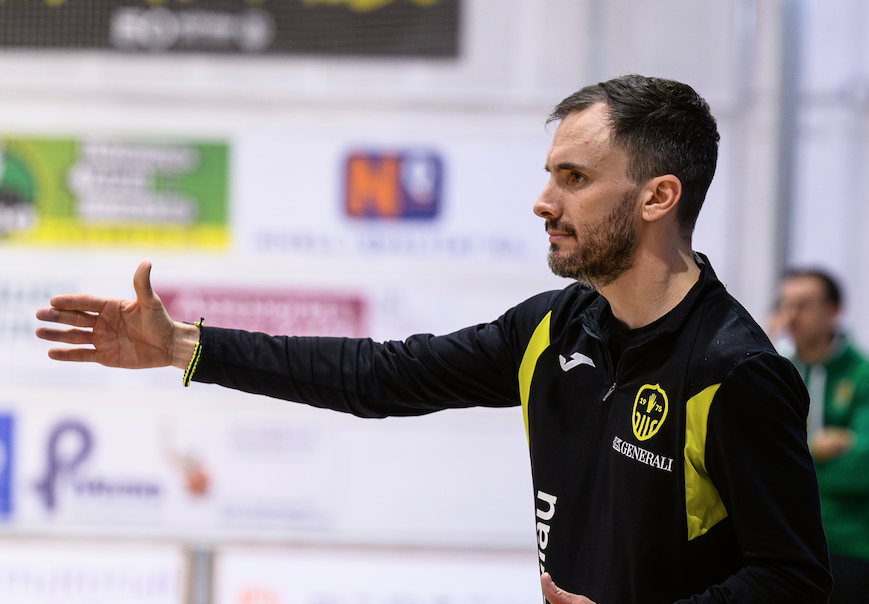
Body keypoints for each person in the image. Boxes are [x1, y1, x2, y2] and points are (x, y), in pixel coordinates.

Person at [35, 75, 832, 603]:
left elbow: (791, 578)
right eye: (549, 173)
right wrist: (184, 347)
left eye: (574, 179)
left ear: (659, 196)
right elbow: (377, 377)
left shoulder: (733, 371)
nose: (542, 201)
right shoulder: (551, 328)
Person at [771, 269, 869, 603]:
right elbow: (755, 455)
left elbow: (862, 467)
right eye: (785, 304)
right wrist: (816, 449)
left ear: (833, 312)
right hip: (783, 539)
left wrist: (789, 458)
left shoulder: (861, 375)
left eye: (803, 305)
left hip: (848, 542)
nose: (791, 315)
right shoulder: (775, 369)